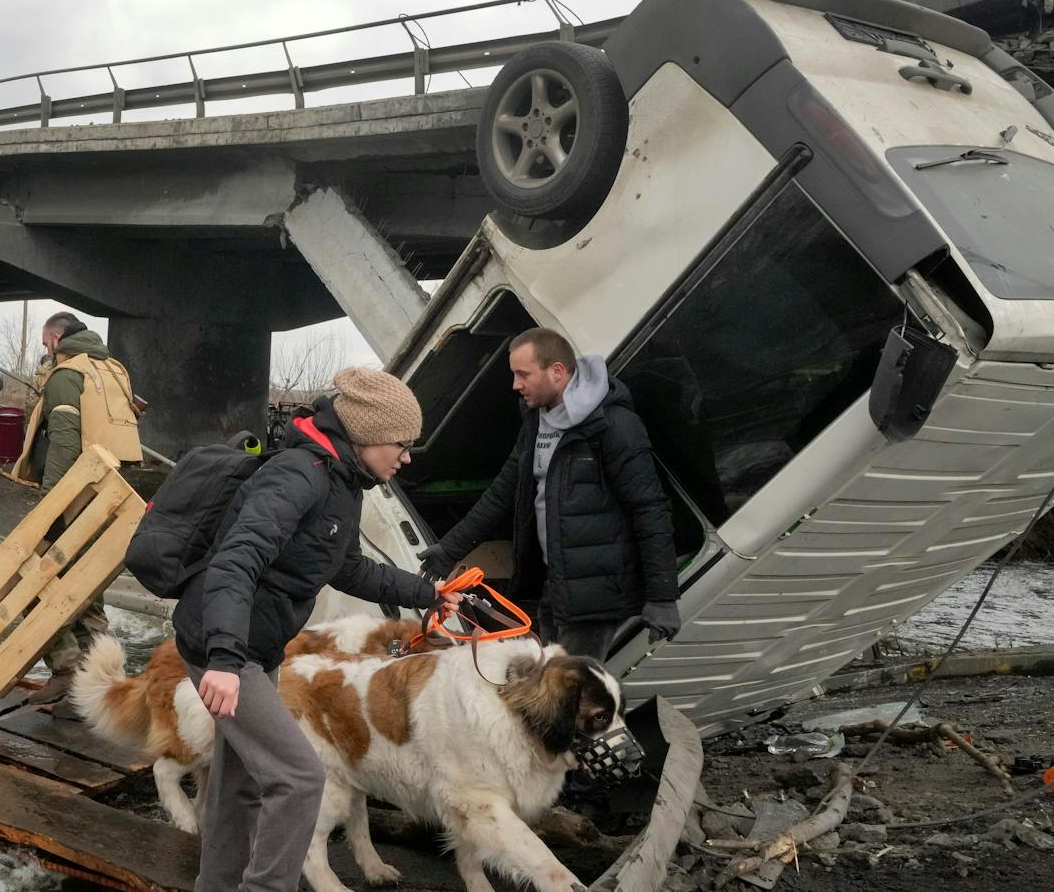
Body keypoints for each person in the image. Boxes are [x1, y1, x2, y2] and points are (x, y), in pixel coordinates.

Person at [171, 367, 461, 892]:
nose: (407, 456)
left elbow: (346, 566)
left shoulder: (343, 482)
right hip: (224, 643)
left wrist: (428, 594)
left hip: (256, 644)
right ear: (369, 436)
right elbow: (236, 562)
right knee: (300, 779)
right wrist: (224, 659)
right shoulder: (299, 475)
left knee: (239, 785)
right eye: (401, 444)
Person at [420, 327, 680, 658]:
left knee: (565, 694)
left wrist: (662, 596)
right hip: (554, 586)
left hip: (596, 596)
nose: (515, 385)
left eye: (522, 374)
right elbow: (502, 492)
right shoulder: (536, 421)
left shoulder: (613, 425)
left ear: (556, 371)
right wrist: (448, 550)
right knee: (548, 683)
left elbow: (650, 507)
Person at [14, 314, 142, 710]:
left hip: (76, 497)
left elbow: (65, 443)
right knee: (88, 592)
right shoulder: (111, 370)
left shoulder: (68, 375)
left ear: (54, 339)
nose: (44, 351)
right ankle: (98, 682)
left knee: (31, 585)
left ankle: (68, 670)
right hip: (113, 495)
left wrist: (49, 508)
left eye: (43, 343)